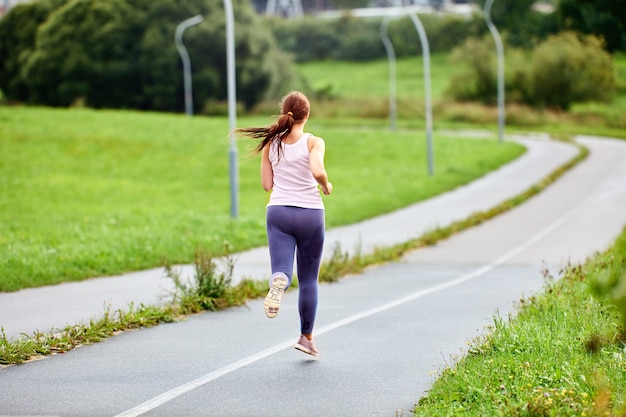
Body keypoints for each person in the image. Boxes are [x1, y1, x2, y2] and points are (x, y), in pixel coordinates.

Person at [236, 91, 332, 356]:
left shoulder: (271, 143)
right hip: (310, 214)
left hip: (278, 212)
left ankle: (279, 279)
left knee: (281, 269)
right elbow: (317, 170)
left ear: (284, 112)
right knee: (309, 279)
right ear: (307, 115)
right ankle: (306, 337)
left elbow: (267, 185)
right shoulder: (314, 142)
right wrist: (325, 184)